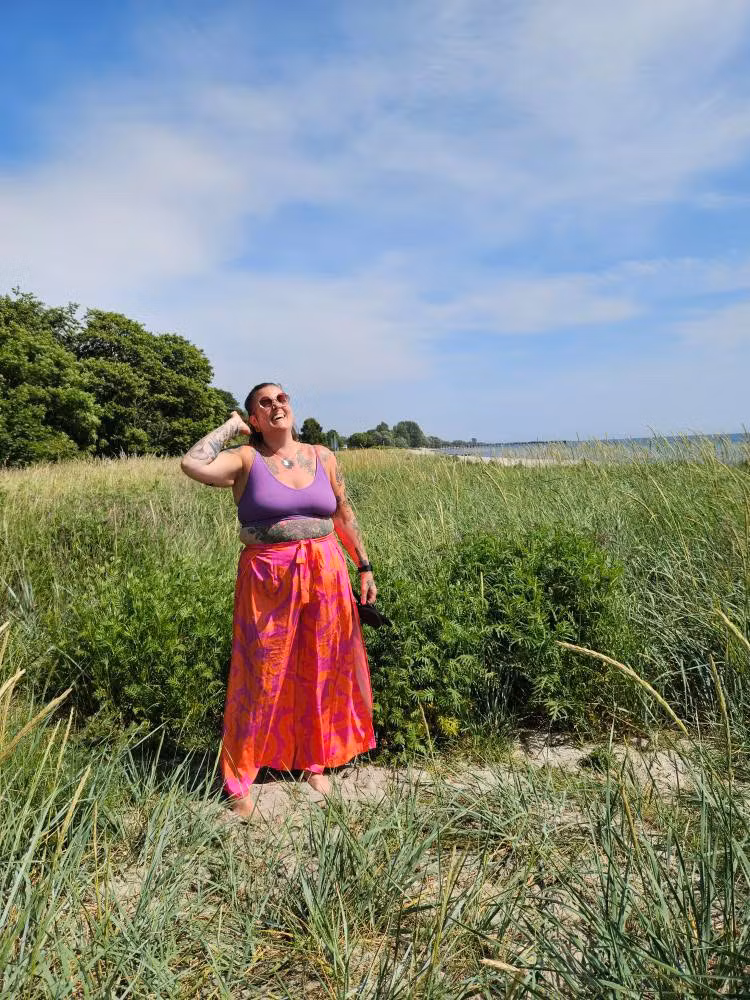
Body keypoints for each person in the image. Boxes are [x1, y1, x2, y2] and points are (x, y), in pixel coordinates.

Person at [180, 382, 377, 816]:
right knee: (260, 672)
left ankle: (314, 761)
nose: (276, 406)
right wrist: (230, 427)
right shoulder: (245, 459)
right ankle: (239, 776)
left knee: (321, 666)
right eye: (264, 403)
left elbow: (343, 514)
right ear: (254, 418)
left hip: (326, 572)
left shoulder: (323, 456)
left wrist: (363, 565)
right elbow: (192, 463)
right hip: (268, 578)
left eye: (281, 398)